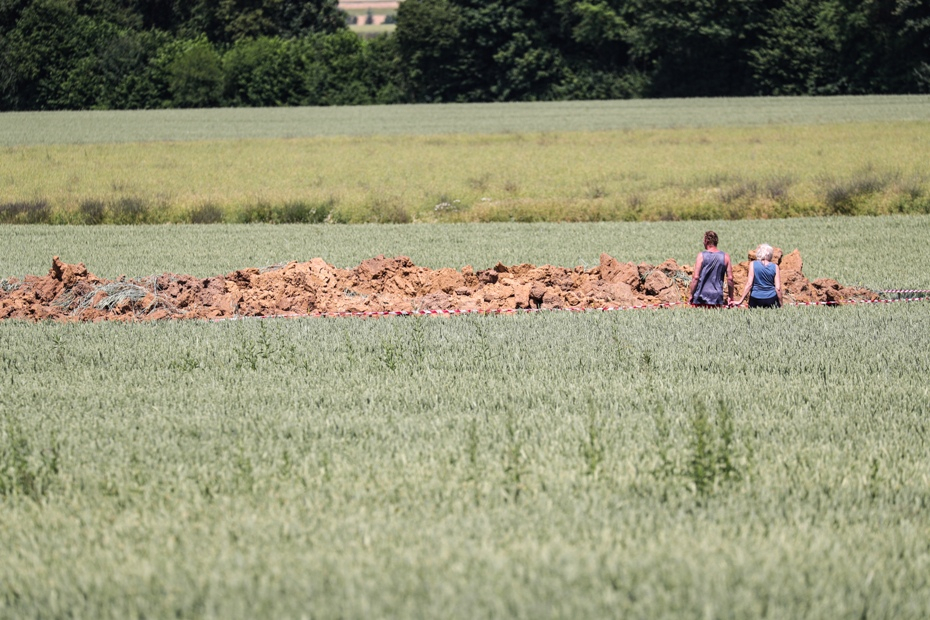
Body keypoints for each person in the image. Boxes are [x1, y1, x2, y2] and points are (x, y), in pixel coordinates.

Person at [688, 230, 734, 307]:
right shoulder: (726, 257)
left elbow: (695, 278)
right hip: (717, 297)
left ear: (706, 241)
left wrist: (691, 295)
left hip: (701, 296)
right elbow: (730, 279)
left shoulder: (701, 256)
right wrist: (731, 296)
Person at [736, 243, 782, 308]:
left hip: (755, 299)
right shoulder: (775, 267)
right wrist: (781, 304)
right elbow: (778, 288)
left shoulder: (753, 264)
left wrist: (740, 301)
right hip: (771, 298)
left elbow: (749, 284)